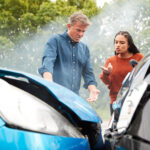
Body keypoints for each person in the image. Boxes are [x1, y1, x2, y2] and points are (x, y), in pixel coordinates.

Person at [38, 12, 100, 102]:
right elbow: (47, 62)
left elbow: (88, 73)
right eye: (78, 30)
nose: (81, 34)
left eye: (83, 31)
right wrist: (49, 82)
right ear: (69, 26)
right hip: (54, 96)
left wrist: (93, 89)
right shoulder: (55, 40)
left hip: (74, 99)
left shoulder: (84, 48)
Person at [100, 31, 144, 115]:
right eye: (116, 42)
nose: (118, 45)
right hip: (116, 102)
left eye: (122, 42)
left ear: (129, 45)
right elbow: (107, 82)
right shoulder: (110, 61)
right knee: (115, 127)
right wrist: (106, 73)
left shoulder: (139, 57)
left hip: (135, 101)